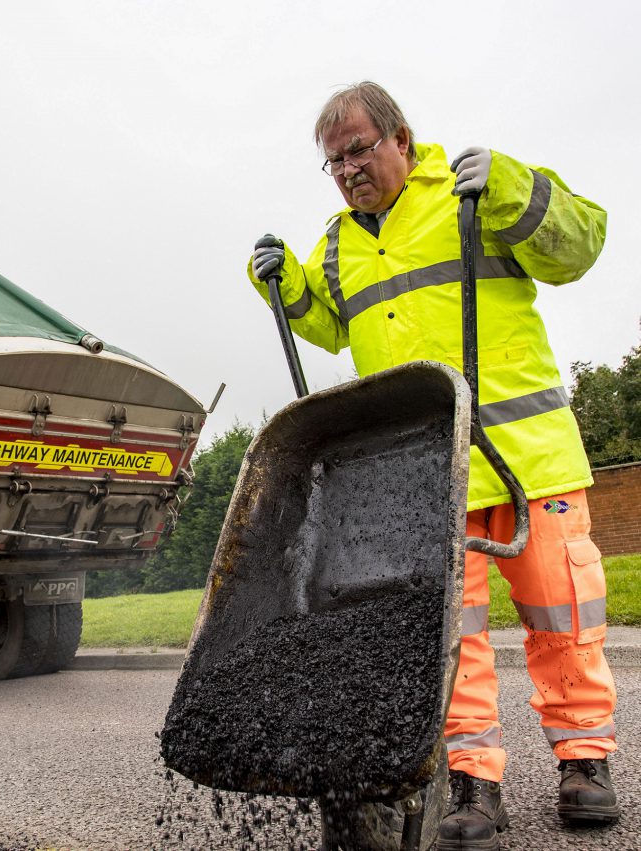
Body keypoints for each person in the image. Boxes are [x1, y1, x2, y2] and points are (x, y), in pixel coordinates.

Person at [246, 81, 619, 851]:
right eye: (333, 160)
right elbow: (329, 325)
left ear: (401, 139)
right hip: (425, 479)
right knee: (451, 637)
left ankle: (585, 765)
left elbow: (580, 245)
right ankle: (474, 780)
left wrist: (516, 187)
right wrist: (280, 283)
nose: (348, 168)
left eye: (359, 149)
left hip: (525, 461)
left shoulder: (469, 193)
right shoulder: (342, 242)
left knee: (564, 618)